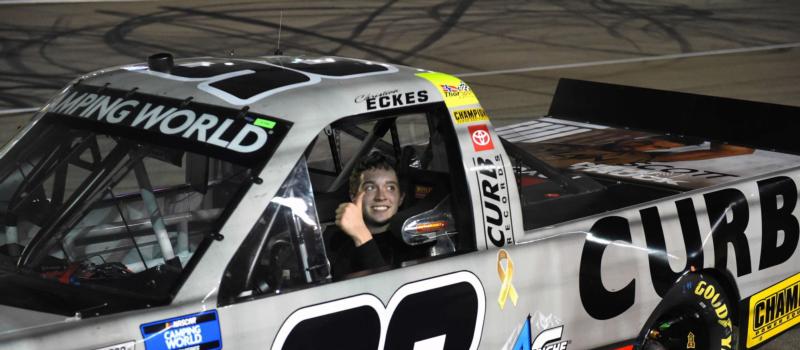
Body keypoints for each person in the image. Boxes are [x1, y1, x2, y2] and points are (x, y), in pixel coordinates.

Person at [327, 152, 424, 279]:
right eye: (370, 188)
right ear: (353, 196)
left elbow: (391, 290)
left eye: (390, 188)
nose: (381, 197)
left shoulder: (413, 243)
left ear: (401, 198)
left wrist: (361, 234)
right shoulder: (334, 240)